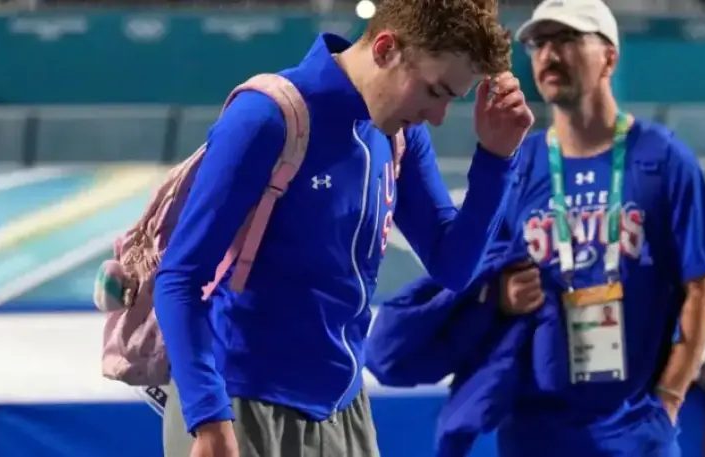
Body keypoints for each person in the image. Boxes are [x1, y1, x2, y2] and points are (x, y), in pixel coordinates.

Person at [152, 0, 536, 456]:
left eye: (452, 98)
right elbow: (180, 276)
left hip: (343, 408)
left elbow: (453, 267)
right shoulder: (266, 118)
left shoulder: (400, 134)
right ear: (386, 49)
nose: (437, 117)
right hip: (239, 403)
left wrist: (496, 158)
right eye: (435, 92)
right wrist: (207, 416)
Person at [366, 0, 705, 456]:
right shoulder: (520, 163)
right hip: (534, 432)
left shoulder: (662, 158)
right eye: (539, 42)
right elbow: (475, 272)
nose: (548, 54)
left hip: (637, 431)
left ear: (610, 57)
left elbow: (702, 285)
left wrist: (669, 399)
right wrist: (500, 295)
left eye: (567, 39)